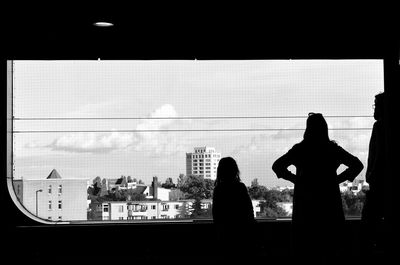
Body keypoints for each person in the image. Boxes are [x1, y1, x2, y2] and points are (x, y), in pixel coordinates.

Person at [272, 113, 364, 262]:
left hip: (305, 206)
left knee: (305, 249)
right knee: (330, 247)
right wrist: (337, 180)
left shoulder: (300, 150)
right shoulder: (332, 149)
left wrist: (296, 180)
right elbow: (357, 165)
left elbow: (277, 166)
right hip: (329, 204)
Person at [212, 157, 256, 262]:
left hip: (225, 235)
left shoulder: (219, 189)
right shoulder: (240, 187)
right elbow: (249, 211)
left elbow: (216, 215)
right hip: (243, 235)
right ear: (235, 170)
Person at [361, 92, 385, 251]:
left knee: (369, 221)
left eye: (376, 105)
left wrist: (371, 175)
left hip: (379, 184)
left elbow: (379, 154)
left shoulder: (380, 127)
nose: (374, 109)